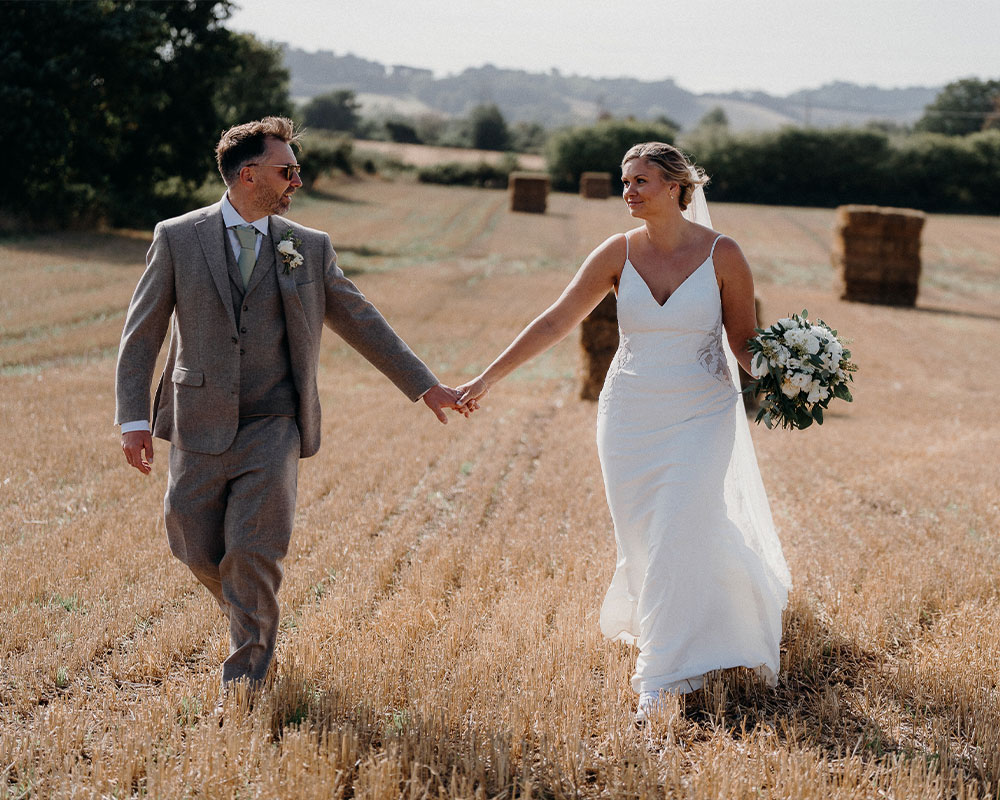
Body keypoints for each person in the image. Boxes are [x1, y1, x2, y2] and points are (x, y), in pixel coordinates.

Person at [116, 117, 467, 690]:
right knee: (191, 541)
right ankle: (247, 614)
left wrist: (426, 385)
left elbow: (360, 318)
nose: (297, 181)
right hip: (197, 415)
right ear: (248, 174)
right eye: (288, 170)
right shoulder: (178, 237)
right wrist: (132, 418)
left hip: (275, 421)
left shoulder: (308, 246)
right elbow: (142, 333)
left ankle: (248, 679)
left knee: (253, 550)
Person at [458, 142, 791, 723]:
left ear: (675, 187)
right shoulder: (616, 252)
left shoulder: (723, 254)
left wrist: (793, 376)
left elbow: (743, 341)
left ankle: (658, 679)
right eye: (625, 181)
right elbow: (557, 320)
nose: (628, 191)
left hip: (700, 412)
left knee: (676, 525)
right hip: (629, 413)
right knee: (645, 538)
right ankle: (694, 623)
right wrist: (488, 378)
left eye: (640, 181)